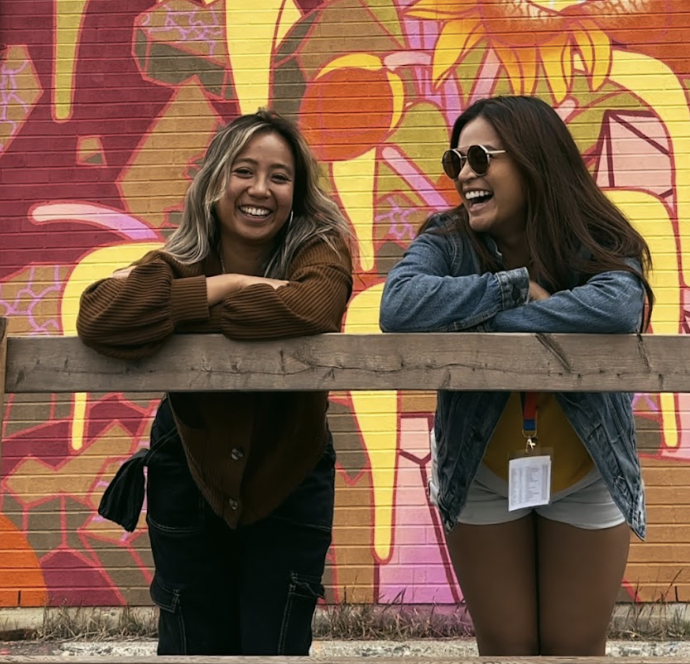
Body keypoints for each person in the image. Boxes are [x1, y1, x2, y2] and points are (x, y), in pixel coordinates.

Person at [379, 95, 652, 658]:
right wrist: (513, 288)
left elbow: (619, 306)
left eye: (480, 157)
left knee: (573, 650)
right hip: (482, 471)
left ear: (533, 158)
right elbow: (399, 306)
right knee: (507, 651)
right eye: (456, 162)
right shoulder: (448, 240)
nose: (465, 174)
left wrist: (475, 320)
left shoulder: (591, 236)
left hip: (585, 469)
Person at [77, 109, 352, 656]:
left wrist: (181, 312)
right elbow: (100, 316)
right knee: (190, 641)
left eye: (280, 176)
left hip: (288, 471)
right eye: (244, 171)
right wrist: (228, 284)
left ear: (297, 191)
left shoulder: (320, 249)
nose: (260, 189)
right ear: (214, 183)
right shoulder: (181, 259)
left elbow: (312, 307)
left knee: (273, 643)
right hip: (188, 467)